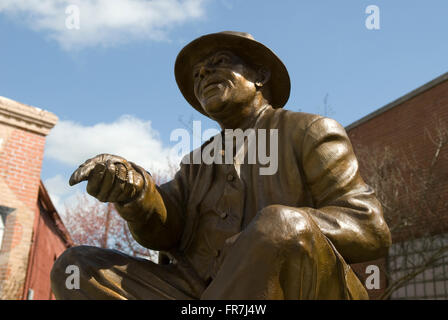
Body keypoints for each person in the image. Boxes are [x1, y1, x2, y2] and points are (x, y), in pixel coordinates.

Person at [51, 31, 391, 300]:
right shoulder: (197, 162)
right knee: (76, 266)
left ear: (260, 75)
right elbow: (164, 230)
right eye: (198, 74)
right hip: (196, 292)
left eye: (220, 62)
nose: (204, 74)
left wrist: (270, 237)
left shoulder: (310, 131)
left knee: (280, 222)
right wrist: (135, 191)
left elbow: (370, 227)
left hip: (299, 289)